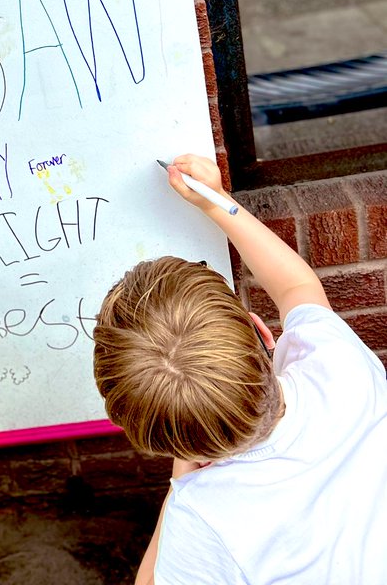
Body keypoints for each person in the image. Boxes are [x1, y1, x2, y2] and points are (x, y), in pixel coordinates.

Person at [92, 153, 387, 585]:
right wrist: (217, 203)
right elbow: (296, 286)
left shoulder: (201, 519)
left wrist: (180, 488)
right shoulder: (339, 368)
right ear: (261, 332)